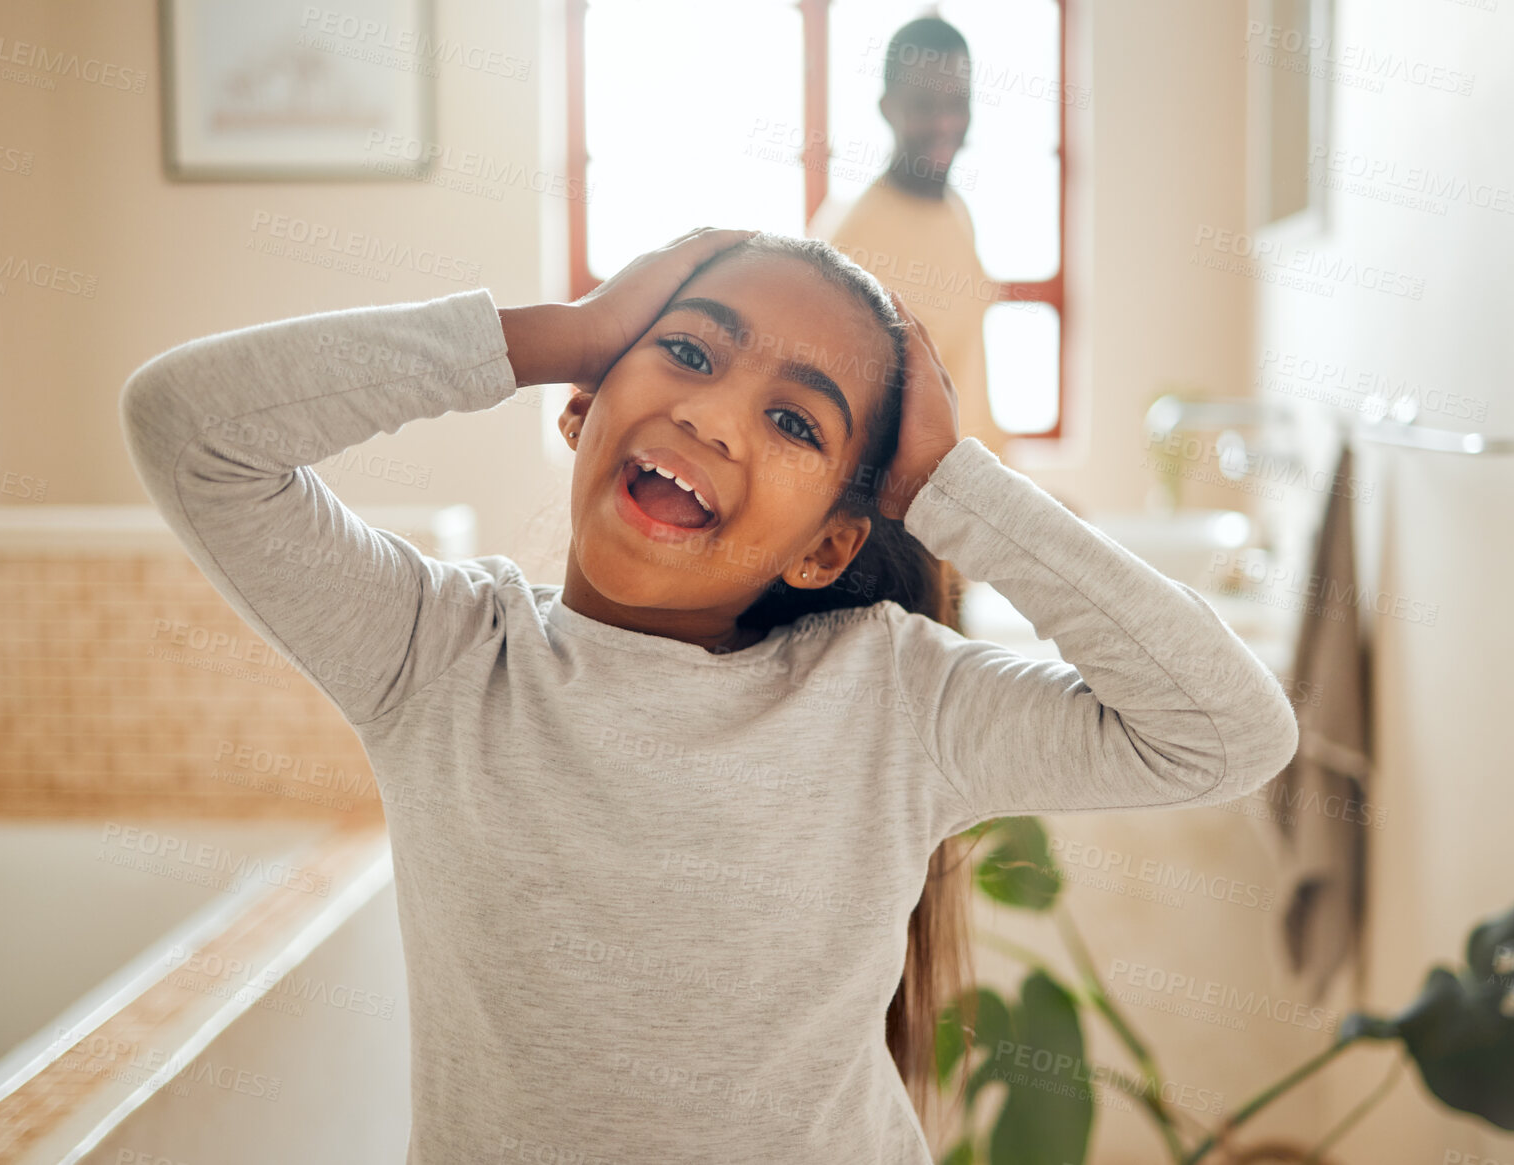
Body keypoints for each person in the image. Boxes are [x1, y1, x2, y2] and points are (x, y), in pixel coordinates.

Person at [119, 227, 1299, 1163]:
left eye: (794, 420)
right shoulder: (439, 653)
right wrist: (550, 335)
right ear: (582, 405)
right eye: (687, 351)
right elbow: (190, 429)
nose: (710, 413)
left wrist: (947, 486)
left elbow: (1223, 732)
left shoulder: (891, 695)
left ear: (831, 546)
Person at [810, 15, 1007, 458]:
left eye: (958, 101)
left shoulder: (956, 210)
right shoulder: (850, 243)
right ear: (888, 108)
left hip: (978, 486)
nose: (945, 122)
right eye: (923, 104)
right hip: (918, 515)